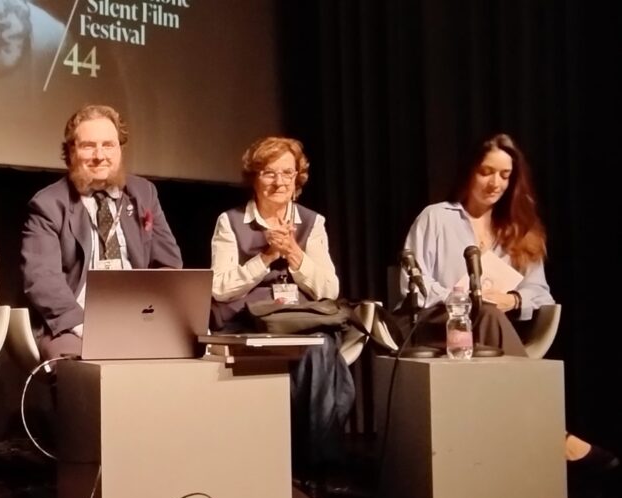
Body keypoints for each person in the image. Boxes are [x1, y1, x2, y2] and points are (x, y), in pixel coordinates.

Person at [401, 133, 618, 471]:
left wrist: (513, 299)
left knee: (488, 313)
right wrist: (464, 298)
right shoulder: (436, 217)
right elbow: (412, 284)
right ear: (469, 172)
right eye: (487, 172)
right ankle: (553, 434)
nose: (495, 183)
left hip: (495, 327)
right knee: (482, 310)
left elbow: (540, 293)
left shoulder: (520, 227)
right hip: (438, 325)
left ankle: (517, 442)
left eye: (505, 176)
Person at [209, 136, 353, 479]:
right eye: (269, 173)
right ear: (254, 178)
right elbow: (220, 288)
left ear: (298, 179)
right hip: (247, 322)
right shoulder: (230, 222)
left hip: (298, 323)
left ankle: (314, 470)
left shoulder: (312, 223)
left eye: (287, 174)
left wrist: (294, 253)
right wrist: (266, 257)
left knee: (320, 349)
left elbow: (329, 289)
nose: (279, 182)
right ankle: (279, 465)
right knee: (308, 359)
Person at [20, 103, 182, 360]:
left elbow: (169, 265)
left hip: (138, 317)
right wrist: (87, 327)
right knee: (79, 368)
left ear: (120, 149)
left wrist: (152, 316)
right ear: (71, 152)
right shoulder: (48, 204)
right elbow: (42, 280)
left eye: (108, 145)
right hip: (74, 324)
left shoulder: (144, 193)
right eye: (88, 146)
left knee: (191, 356)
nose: (99, 155)